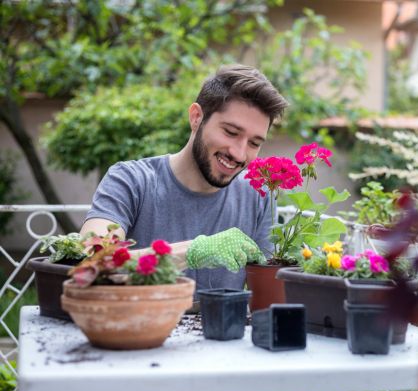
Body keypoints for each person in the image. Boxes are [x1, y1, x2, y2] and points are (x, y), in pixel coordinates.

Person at [80, 64, 288, 290]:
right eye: (230, 132)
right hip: (139, 322)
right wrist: (191, 252)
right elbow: (91, 261)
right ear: (196, 117)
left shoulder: (258, 195)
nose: (239, 153)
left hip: (221, 325)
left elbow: (267, 294)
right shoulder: (130, 180)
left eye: (254, 143)